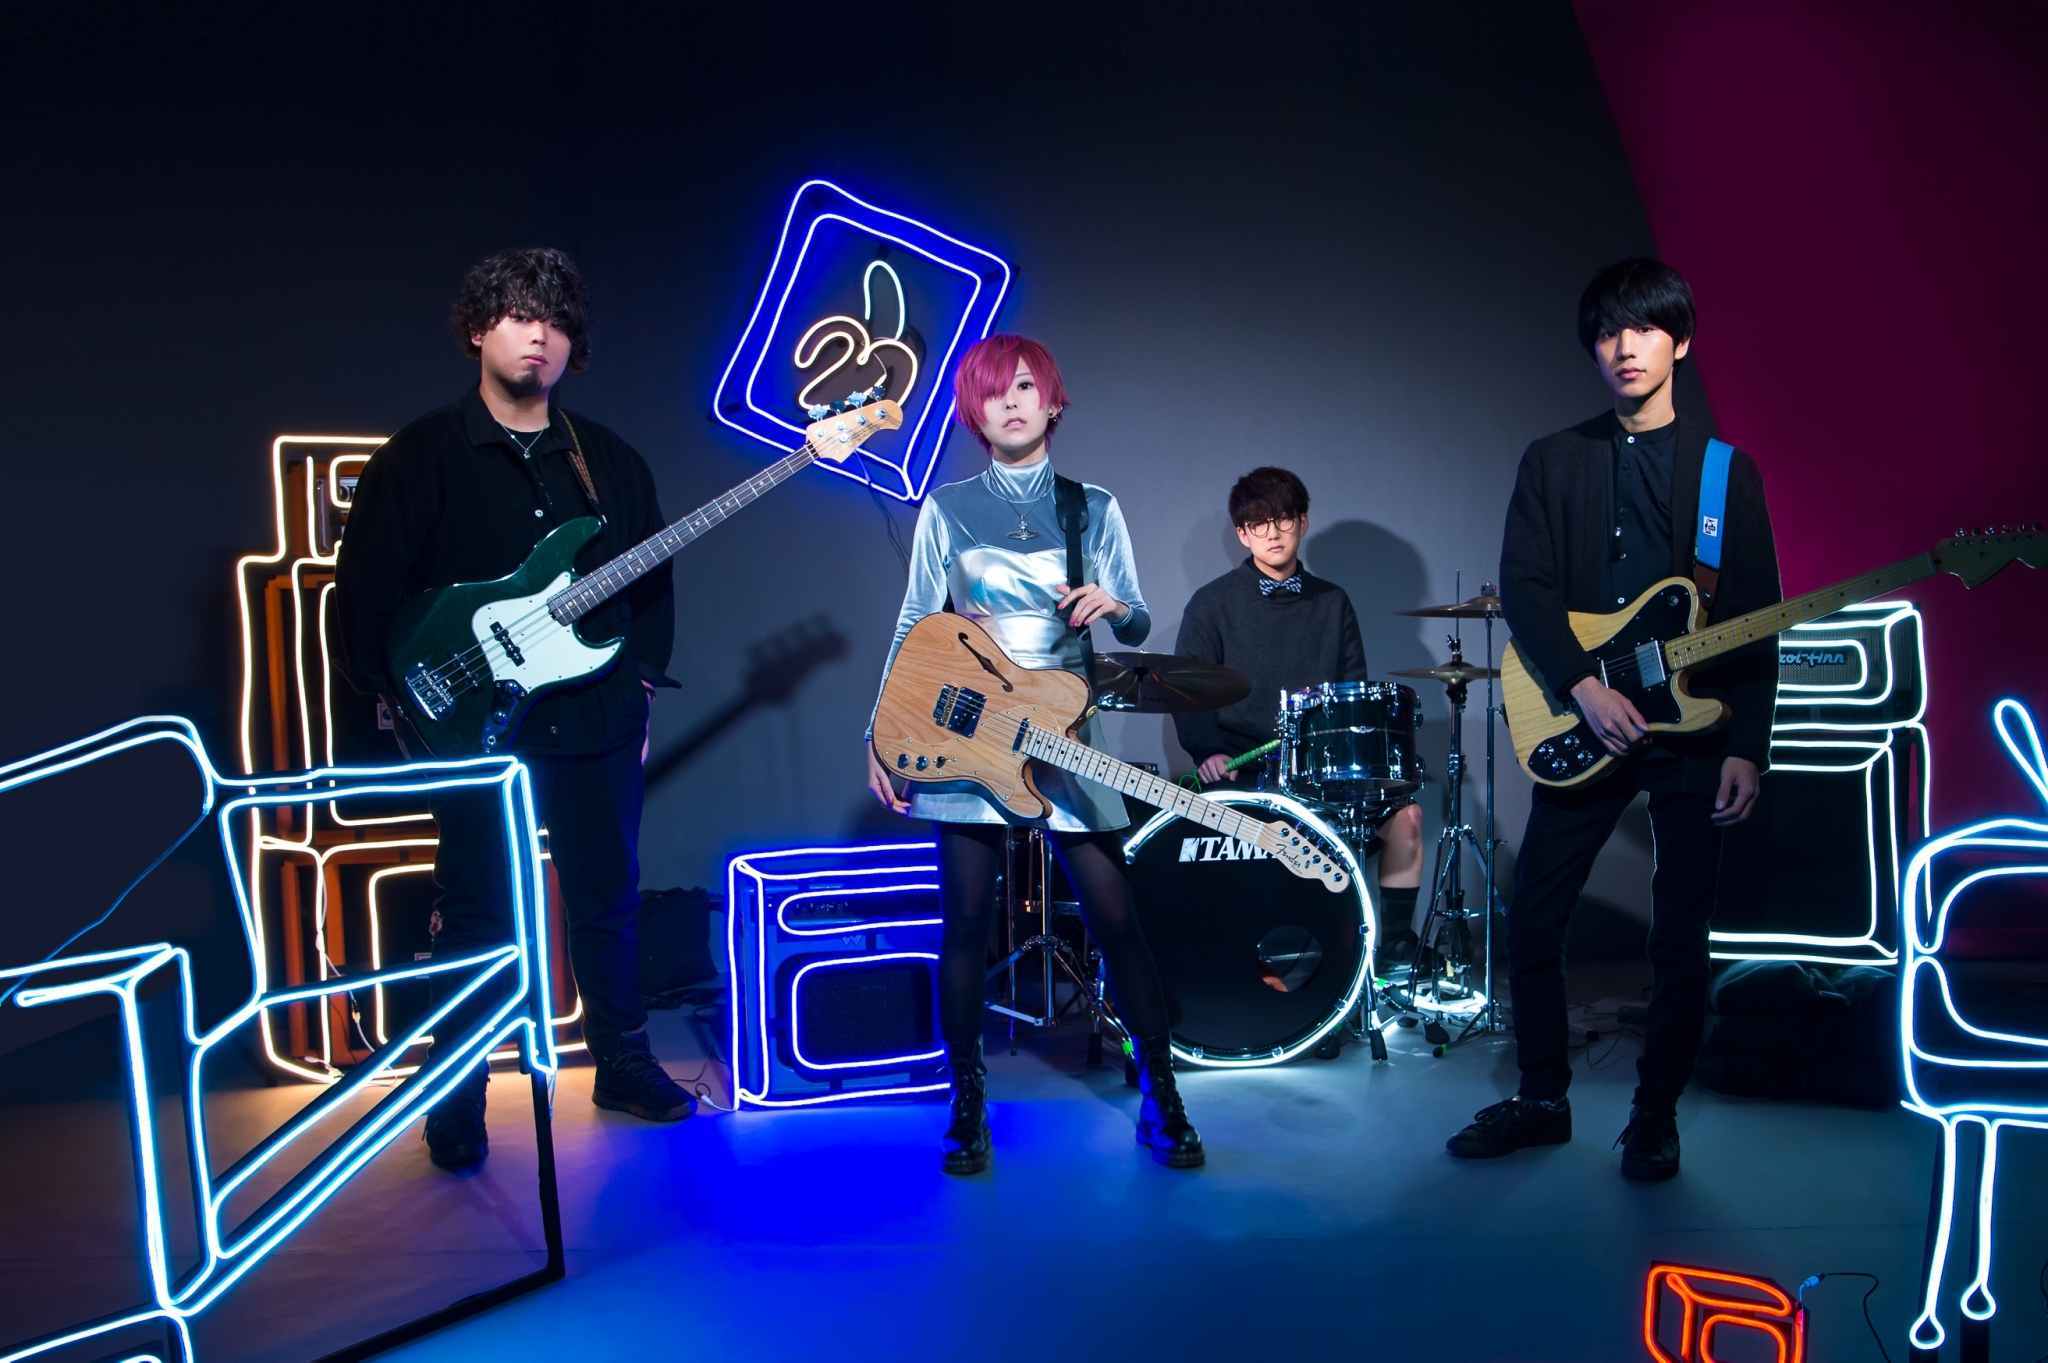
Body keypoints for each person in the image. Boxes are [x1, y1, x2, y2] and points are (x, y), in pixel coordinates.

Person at [337, 247, 695, 1173]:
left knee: (607, 895)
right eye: (518, 314)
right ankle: (457, 1095)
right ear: (476, 329)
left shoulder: (608, 462)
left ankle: (623, 1063)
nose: (540, 334)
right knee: (474, 909)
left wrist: (641, 683)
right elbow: (365, 587)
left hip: (595, 716)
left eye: (557, 320)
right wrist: (396, 701)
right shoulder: (420, 455)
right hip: (475, 723)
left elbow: (654, 583)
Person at [1445, 258, 1781, 1181]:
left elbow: (1757, 619)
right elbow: (1525, 587)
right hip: (1585, 722)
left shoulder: (1726, 475)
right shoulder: (1553, 460)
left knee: (1680, 933)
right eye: (1606, 332)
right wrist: (1581, 687)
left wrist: (1748, 746)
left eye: (1642, 328)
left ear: (1682, 341)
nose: (1623, 346)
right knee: (1536, 917)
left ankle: (1654, 1116)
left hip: (1693, 732)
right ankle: (1541, 1098)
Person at [863, 333, 1202, 1174]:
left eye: (1024, 386)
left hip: (1066, 730)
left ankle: (1162, 1093)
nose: (1010, 402)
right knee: (966, 924)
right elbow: (914, 623)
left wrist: (1114, 605)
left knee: (1115, 918)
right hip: (967, 731)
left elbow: (1137, 619)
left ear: (1052, 401)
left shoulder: (1095, 507)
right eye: (992, 391)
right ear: (972, 413)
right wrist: (880, 728)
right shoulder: (946, 507)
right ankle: (967, 1101)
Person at [1172, 466, 1426, 964]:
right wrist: (1208, 750)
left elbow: (1353, 685)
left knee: (1408, 818)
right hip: (1247, 771)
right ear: (1242, 534)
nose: (1272, 533)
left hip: (1322, 773)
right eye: (1258, 524)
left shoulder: (1334, 601)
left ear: (1303, 522)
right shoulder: (1211, 603)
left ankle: (1393, 951)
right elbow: (1186, 689)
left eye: (1283, 519)